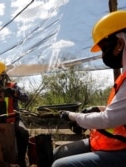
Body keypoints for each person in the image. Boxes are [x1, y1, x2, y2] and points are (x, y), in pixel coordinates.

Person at [52, 10, 126, 167]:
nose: (103, 54)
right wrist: (98, 108)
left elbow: (109, 120)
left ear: (120, 43)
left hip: (122, 147)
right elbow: (121, 111)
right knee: (59, 153)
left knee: (60, 165)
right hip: (116, 141)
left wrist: (73, 116)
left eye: (104, 47)